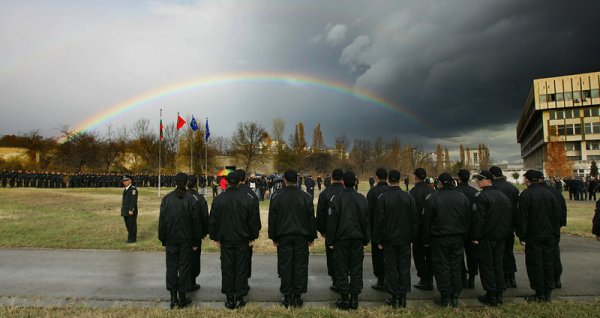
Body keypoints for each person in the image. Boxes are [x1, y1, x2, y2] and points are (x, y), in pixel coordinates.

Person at [209, 172, 261, 309]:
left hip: (227, 239)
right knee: (240, 268)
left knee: (227, 268)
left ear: (227, 182)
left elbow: (213, 220)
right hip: (241, 239)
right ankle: (238, 296)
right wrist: (252, 236)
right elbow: (253, 221)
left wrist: (215, 237)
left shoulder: (219, 199)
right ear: (239, 182)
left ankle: (230, 297)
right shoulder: (247, 198)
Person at [269, 170, 317, 308]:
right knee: (300, 265)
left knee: (286, 265)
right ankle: (297, 294)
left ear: (284, 180)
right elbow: (310, 218)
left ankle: (288, 294)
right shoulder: (305, 196)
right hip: (301, 236)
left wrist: (274, 236)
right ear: (296, 180)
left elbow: (273, 219)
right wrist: (311, 236)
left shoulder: (277, 196)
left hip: (284, 236)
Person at [421, 173, 471, 308]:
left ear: (440, 183)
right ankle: (455, 295)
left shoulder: (432, 198)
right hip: (457, 236)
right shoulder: (462, 197)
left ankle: (446, 296)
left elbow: (427, 221)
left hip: (439, 238)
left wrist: (425, 239)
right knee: (456, 266)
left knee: (442, 266)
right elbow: (468, 219)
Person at [373, 169, 418, 308]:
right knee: (404, 267)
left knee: (391, 267)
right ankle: (403, 297)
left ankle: (394, 296)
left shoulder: (383, 198)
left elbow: (378, 221)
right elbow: (414, 219)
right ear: (399, 180)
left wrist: (378, 240)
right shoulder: (408, 197)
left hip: (389, 239)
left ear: (388, 180)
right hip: (404, 238)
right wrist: (413, 237)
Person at [158, 172, 203, 309]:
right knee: (184, 268)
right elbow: (196, 223)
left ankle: (174, 298)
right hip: (185, 240)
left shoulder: (167, 199)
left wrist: (163, 239)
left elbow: (162, 222)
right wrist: (196, 242)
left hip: (172, 239)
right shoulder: (191, 199)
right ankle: (180, 298)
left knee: (172, 268)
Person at [326, 171, 370, 310]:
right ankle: (354, 299)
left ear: (343, 182)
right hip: (356, 239)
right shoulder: (362, 199)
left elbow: (332, 222)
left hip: (342, 240)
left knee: (342, 269)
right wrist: (366, 238)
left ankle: (345, 298)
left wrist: (330, 240)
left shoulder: (336, 199)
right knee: (356, 269)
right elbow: (366, 221)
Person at [516, 170, 561, 302]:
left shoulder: (526, 195)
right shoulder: (550, 193)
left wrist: (522, 235)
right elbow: (556, 215)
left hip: (533, 235)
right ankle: (548, 291)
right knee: (548, 262)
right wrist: (555, 233)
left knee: (535, 263)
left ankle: (539, 292)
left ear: (528, 180)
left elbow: (522, 218)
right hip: (549, 234)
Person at [471, 171, 512, 306]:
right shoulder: (502, 196)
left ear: (488, 180)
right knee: (498, 264)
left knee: (487, 265)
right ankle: (499, 291)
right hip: (500, 236)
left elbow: (479, 219)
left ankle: (491, 294)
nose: (478, 182)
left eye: (480, 179)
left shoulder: (481, 197)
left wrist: (476, 236)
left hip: (487, 237)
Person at [489, 166, 519, 288]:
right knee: (508, 252)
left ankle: (500, 279)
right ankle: (511, 277)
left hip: (496, 226)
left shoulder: (492, 189)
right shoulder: (512, 188)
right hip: (509, 225)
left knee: (497, 254)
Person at [316, 168, 345, 292]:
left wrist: (322, 230)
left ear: (332, 178)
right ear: (342, 179)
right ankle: (342, 279)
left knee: (332, 256)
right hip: (345, 230)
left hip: (330, 230)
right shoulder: (347, 191)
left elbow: (321, 214)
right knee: (344, 256)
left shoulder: (325, 193)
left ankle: (335, 279)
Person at [540, 175, 567, 289]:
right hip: (554, 227)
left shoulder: (539, 193)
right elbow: (563, 209)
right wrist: (561, 224)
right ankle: (557, 278)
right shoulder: (556, 193)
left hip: (541, 227)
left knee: (541, 256)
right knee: (555, 253)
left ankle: (546, 280)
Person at [410, 168, 435, 291]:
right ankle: (430, 278)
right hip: (431, 230)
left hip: (418, 230)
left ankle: (424, 279)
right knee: (430, 256)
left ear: (416, 177)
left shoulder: (413, 192)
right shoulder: (432, 191)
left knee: (419, 256)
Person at [366, 168, 389, 291]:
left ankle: (381, 280)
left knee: (378, 257)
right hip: (391, 229)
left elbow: (368, 212)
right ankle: (389, 279)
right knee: (390, 256)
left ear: (376, 177)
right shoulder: (392, 191)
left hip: (377, 229)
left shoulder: (373, 192)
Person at [455, 169, 479, 289]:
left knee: (458, 254)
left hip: (458, 228)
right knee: (472, 254)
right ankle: (472, 278)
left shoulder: (455, 192)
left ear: (458, 178)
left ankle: (462, 276)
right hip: (472, 228)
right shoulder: (475, 192)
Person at [236, 169, 260, 284]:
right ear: (245, 179)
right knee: (245, 260)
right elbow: (254, 218)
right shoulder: (251, 195)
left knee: (231, 262)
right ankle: (243, 283)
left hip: (231, 233)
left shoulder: (228, 193)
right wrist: (253, 235)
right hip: (245, 234)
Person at [187, 175, 210, 292]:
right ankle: (191, 281)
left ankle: (187, 281)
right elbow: (205, 216)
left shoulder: (197, 198)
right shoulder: (199, 198)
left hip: (181, 234)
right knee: (194, 258)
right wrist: (205, 231)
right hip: (194, 233)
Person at [120, 175, 138, 244]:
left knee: (132, 225)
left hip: (130, 211)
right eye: (123, 181)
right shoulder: (126, 189)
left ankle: (132, 239)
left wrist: (131, 209)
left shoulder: (133, 189)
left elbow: (133, 200)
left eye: (126, 180)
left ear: (130, 181)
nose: (124, 182)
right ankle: (130, 238)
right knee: (128, 225)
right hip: (125, 210)